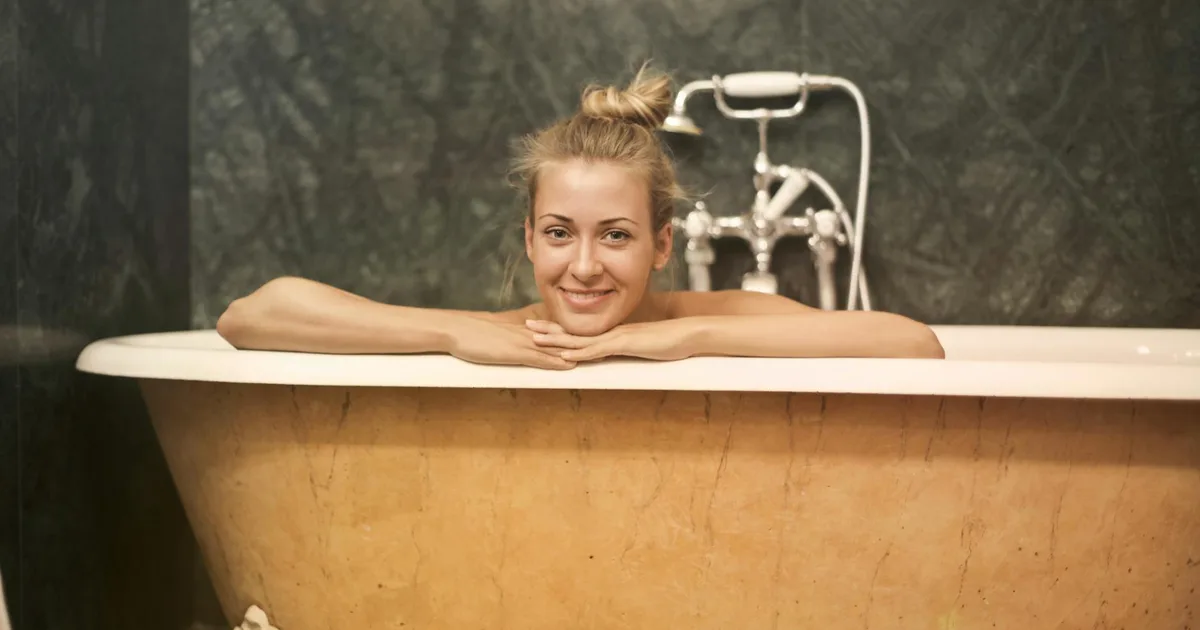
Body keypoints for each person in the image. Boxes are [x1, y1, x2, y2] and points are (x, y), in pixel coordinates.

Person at [216, 65, 945, 369]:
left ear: (664, 246)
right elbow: (249, 317)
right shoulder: (510, 336)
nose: (586, 266)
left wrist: (683, 339)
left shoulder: (703, 314)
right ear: (529, 238)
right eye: (560, 232)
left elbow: (913, 345)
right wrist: (450, 336)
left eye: (618, 235)